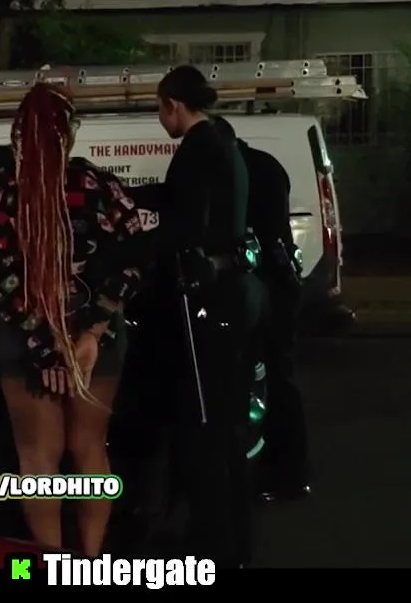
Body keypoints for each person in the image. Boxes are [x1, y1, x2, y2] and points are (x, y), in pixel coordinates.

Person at [0, 82, 145, 555]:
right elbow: (134, 259)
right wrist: (91, 332)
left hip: (22, 338)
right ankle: (90, 560)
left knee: (38, 458)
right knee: (89, 449)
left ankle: (51, 564)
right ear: (70, 133)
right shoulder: (99, 186)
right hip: (95, 338)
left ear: (17, 134)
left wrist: (44, 344)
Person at [153, 65, 257, 568]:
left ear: (173, 105)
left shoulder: (198, 149)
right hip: (231, 294)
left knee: (204, 428)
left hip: (207, 299)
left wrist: (122, 252)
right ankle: (231, 539)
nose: (160, 118)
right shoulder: (224, 144)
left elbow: (183, 226)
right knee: (225, 426)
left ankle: (212, 546)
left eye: (159, 108)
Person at [212, 117, 312, 503]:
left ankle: (286, 471)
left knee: (271, 378)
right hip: (279, 283)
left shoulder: (243, 172)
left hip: (267, 286)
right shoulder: (265, 164)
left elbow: (256, 234)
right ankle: (283, 466)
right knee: (275, 376)